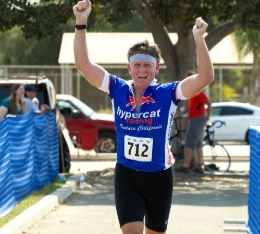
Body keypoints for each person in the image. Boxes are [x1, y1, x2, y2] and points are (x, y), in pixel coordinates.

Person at [73, 1, 214, 233]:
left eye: (147, 65)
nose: (142, 70)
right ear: (129, 68)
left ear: (156, 68)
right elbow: (83, 64)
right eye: (137, 65)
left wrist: (199, 39)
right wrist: (81, 22)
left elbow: (204, 77)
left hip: (159, 177)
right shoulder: (116, 88)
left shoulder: (167, 93)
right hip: (127, 176)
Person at [178, 83, 211, 174]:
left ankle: (189, 165)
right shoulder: (192, 94)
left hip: (197, 118)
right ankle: (196, 165)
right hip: (193, 118)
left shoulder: (199, 92)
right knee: (196, 143)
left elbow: (208, 103)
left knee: (192, 142)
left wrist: (207, 116)